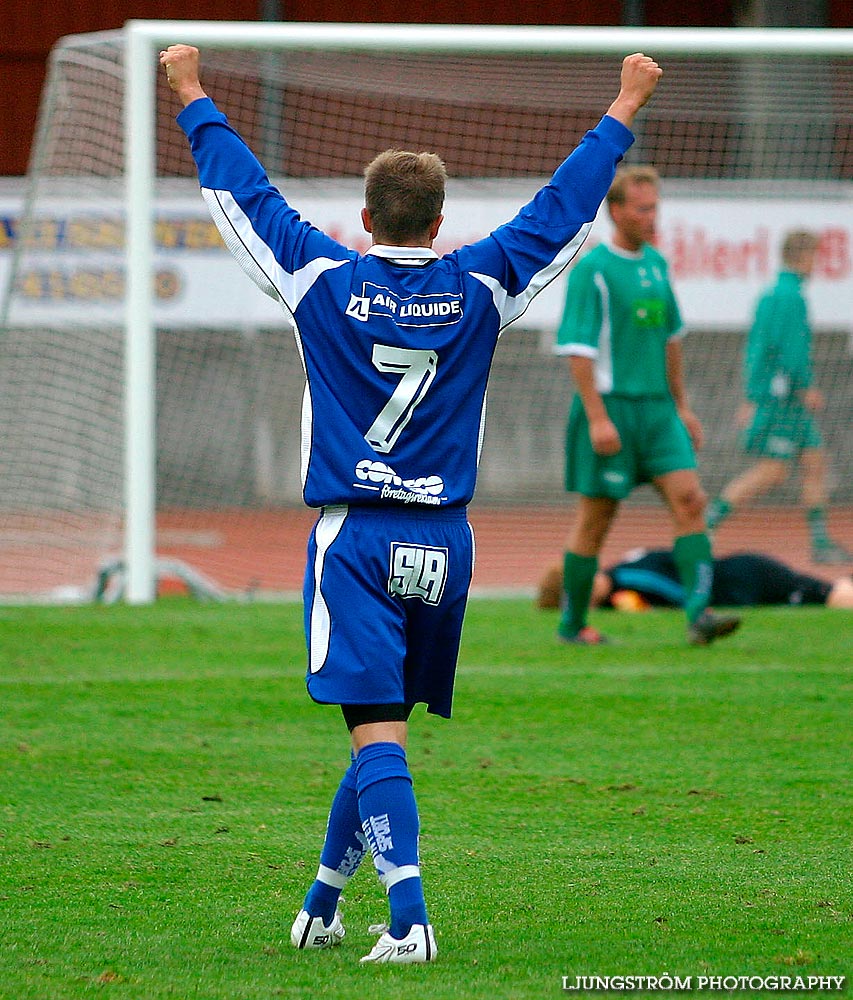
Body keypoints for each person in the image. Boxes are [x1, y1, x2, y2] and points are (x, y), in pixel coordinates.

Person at [160, 43, 663, 964]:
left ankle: (410, 921)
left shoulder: (323, 279)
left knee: (374, 728)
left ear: (363, 218)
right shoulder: (477, 284)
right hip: (445, 544)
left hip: (354, 538)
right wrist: (623, 105)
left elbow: (244, 197)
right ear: (438, 222)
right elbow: (563, 209)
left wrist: (193, 94)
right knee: (377, 724)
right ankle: (320, 901)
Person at [554, 165, 740, 647]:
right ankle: (572, 625)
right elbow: (578, 349)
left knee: (691, 500)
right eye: (643, 208)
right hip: (613, 411)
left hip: (659, 413)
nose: (652, 216)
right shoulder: (593, 269)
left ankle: (699, 615)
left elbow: (671, 340)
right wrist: (596, 417)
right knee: (596, 522)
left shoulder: (657, 264)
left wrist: (683, 406)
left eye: (656, 207)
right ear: (616, 212)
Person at [706, 230, 851, 565]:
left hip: (781, 397)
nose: (816, 263)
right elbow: (790, 350)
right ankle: (709, 520)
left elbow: (756, 347)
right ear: (801, 257)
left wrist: (750, 393)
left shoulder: (773, 293)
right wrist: (804, 385)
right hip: (784, 398)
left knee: (815, 462)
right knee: (774, 470)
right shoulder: (791, 297)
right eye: (814, 256)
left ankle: (820, 542)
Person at [537, 549, 853, 612]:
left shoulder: (630, 577)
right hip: (738, 581)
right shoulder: (617, 588)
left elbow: (679, 594)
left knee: (833, 598)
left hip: (746, 578)